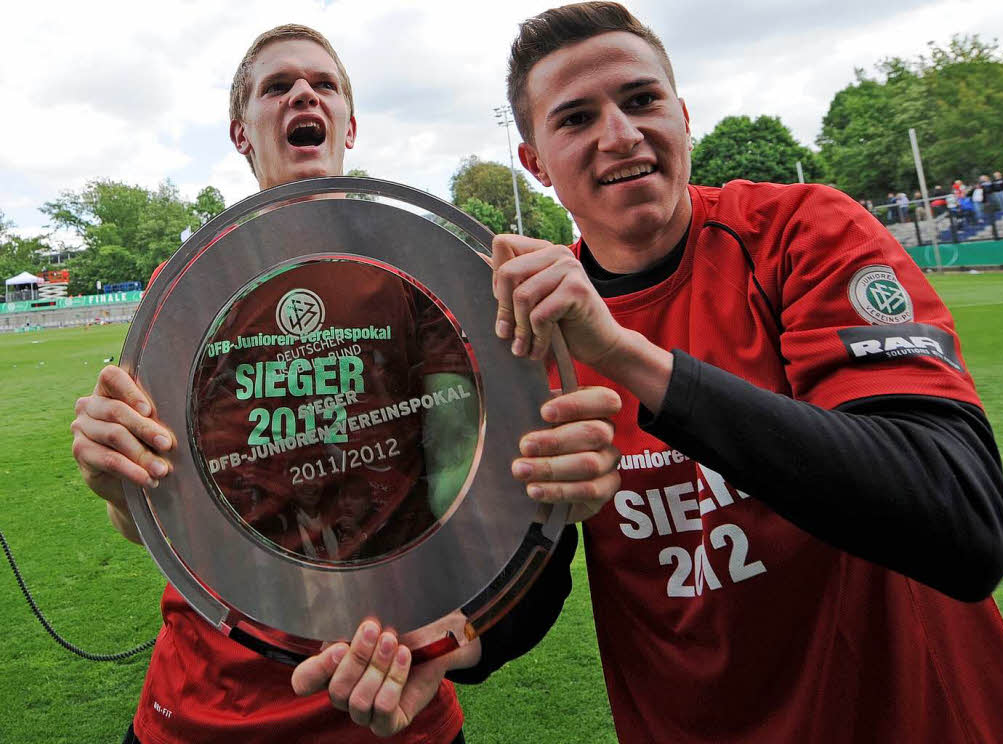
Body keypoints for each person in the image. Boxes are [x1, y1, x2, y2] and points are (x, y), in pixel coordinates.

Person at [481, 3, 1003, 742]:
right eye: (575, 119)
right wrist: (449, 646)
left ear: (684, 116)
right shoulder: (529, 330)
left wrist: (627, 357)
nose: (620, 134)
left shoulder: (805, 234)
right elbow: (524, 591)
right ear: (536, 163)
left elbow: (965, 522)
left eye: (642, 100)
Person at [71, 24, 621, 744]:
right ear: (242, 131)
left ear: (349, 125)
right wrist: (119, 485)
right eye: (278, 86)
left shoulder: (419, 275)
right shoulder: (187, 293)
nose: (304, 92)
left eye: (324, 83)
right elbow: (156, 520)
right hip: (204, 706)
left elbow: (470, 473)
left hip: (392, 690)